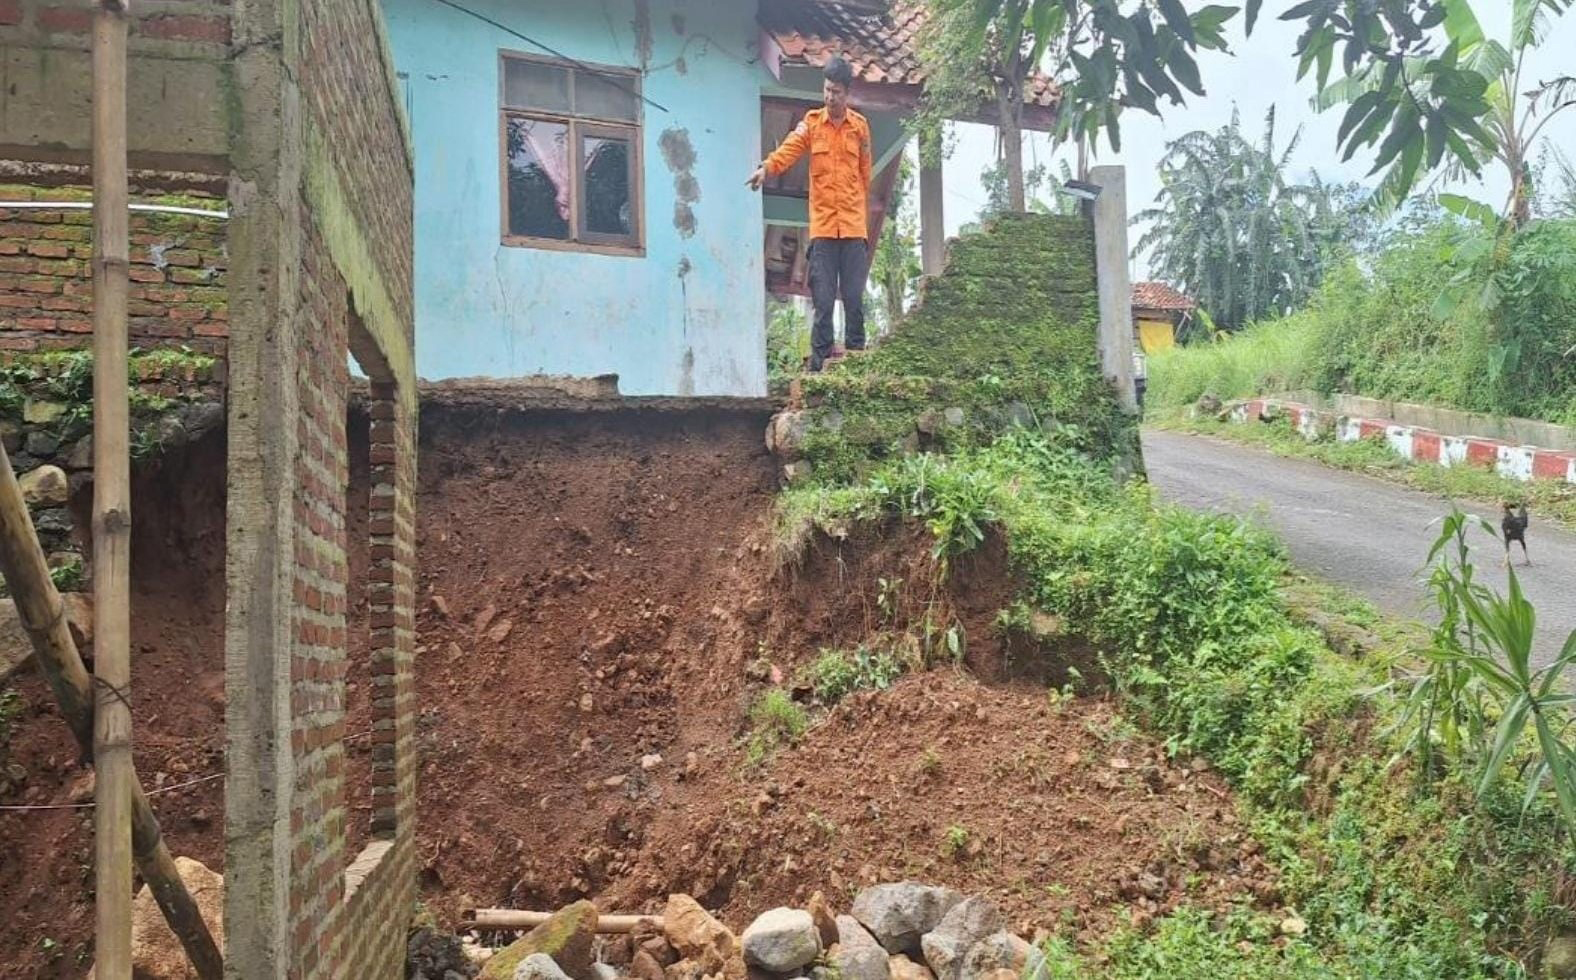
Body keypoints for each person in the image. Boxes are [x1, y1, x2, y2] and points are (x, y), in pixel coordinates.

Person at [748, 56, 873, 371]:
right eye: (828, 90)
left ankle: (857, 361)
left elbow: (865, 174)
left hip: (854, 230)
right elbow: (790, 148)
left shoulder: (860, 128)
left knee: (855, 299)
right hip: (823, 231)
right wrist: (767, 168)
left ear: (847, 93)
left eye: (837, 92)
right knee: (823, 302)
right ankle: (819, 367)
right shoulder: (812, 123)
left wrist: (855, 209)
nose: (831, 97)